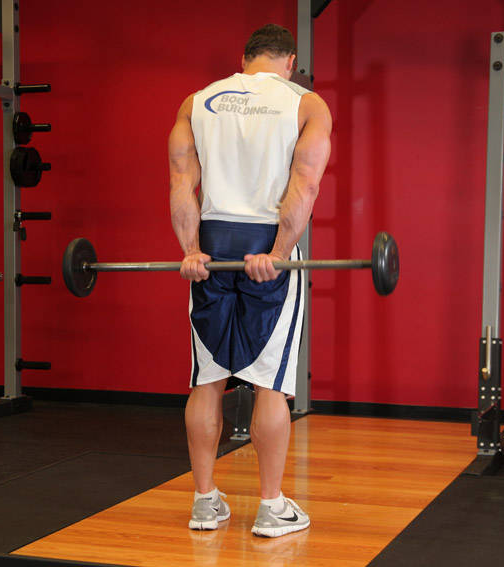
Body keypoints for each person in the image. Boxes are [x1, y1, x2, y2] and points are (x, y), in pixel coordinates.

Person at [168, 23, 331, 538]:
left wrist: (191, 252)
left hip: (212, 242)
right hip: (266, 240)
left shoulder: (198, 101)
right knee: (270, 382)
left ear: (245, 59)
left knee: (208, 376)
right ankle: (270, 506)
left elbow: (180, 184)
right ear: (289, 62)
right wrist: (279, 255)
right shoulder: (307, 104)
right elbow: (305, 185)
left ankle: (204, 502)